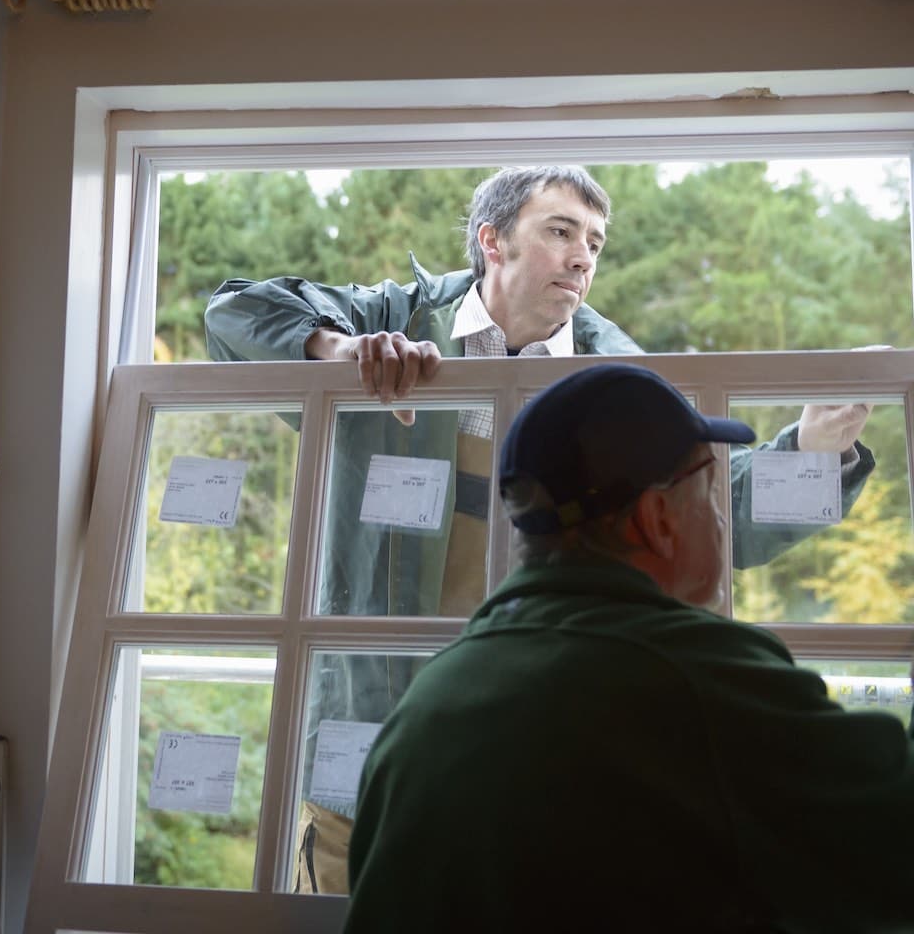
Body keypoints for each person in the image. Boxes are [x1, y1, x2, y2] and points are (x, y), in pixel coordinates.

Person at [203, 165, 875, 892]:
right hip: (368, 751)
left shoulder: (618, 373)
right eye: (560, 231)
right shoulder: (393, 323)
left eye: (595, 240)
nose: (583, 255)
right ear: (492, 241)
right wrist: (336, 355)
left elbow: (717, 517)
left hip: (542, 754)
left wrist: (814, 451)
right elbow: (231, 314)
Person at [344, 363, 914, 933]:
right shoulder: (696, 682)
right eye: (711, 492)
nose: (721, 516)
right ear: (658, 519)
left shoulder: (426, 705)